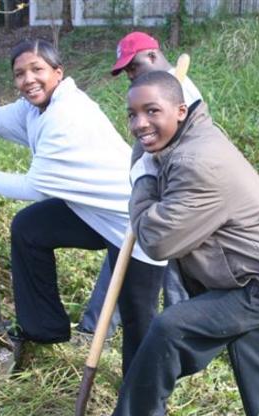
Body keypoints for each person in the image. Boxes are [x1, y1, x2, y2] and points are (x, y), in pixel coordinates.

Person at [66, 71, 259, 416]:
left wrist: (143, 179)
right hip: (255, 274)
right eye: (132, 115)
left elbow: (158, 240)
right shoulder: (179, 142)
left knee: (171, 328)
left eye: (152, 111)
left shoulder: (198, 161)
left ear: (181, 111)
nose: (140, 124)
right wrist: (146, 162)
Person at [0, 30, 166, 376]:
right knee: (30, 228)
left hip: (136, 223)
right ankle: (43, 328)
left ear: (58, 73)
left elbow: (35, 186)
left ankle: (143, 401)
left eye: (37, 70)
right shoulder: (34, 110)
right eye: (20, 73)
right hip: (90, 211)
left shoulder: (67, 116)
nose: (28, 80)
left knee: (138, 318)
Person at [79, 31, 202, 333]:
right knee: (130, 252)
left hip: (173, 195)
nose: (131, 76)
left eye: (133, 67)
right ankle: (96, 327)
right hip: (150, 192)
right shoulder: (155, 91)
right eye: (127, 72)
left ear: (151, 56)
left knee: (171, 270)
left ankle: (178, 336)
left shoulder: (181, 93)